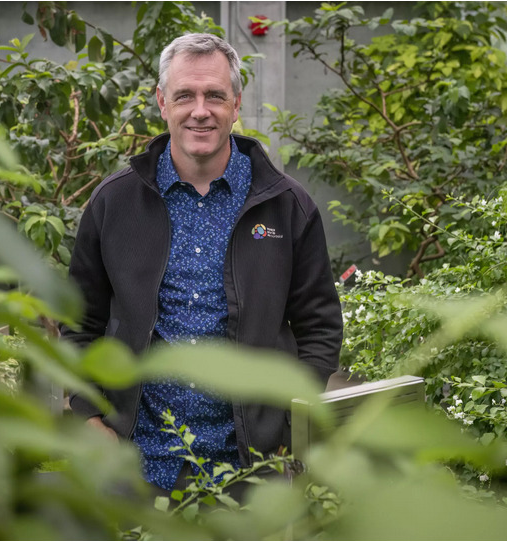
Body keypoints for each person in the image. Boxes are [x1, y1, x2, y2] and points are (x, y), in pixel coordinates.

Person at [60, 33, 342, 497]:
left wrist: (288, 426)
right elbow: (79, 322)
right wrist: (89, 416)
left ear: (236, 103)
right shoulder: (114, 203)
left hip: (249, 474)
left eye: (214, 95)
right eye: (184, 95)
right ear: (161, 102)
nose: (200, 110)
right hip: (135, 469)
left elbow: (320, 327)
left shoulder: (288, 207)